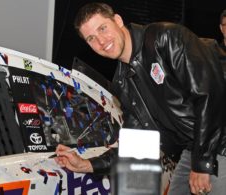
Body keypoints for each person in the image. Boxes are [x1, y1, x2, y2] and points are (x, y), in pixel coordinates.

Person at [54, 2, 226, 195]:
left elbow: (210, 95)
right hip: (194, 148)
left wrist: (203, 164)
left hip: (219, 138)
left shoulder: (165, 37)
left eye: (103, 28)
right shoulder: (122, 83)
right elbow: (138, 143)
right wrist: (86, 164)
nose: (101, 41)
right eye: (91, 38)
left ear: (117, 20)